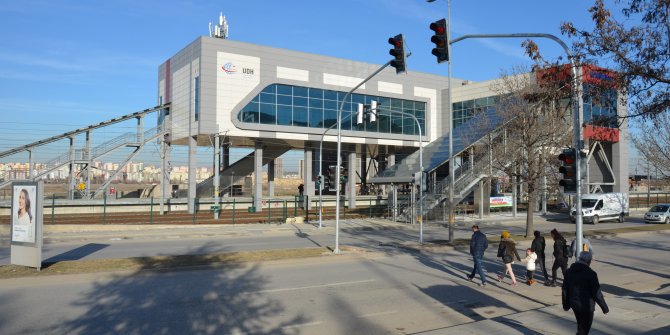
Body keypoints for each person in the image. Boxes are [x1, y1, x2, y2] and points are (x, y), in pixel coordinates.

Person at [562, 251, 609, 334]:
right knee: (583, 330)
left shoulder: (569, 272)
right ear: (589, 261)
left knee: (581, 326)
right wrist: (604, 308)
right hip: (586, 306)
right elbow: (597, 293)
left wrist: (566, 305)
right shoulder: (591, 274)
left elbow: (565, 289)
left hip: (574, 304)